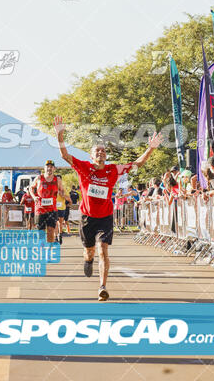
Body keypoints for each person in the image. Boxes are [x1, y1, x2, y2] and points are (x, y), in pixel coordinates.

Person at [54, 115, 163, 302]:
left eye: (103, 151)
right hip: (88, 217)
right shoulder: (84, 167)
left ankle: (102, 287)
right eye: (97, 151)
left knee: (103, 249)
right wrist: (60, 136)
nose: (101, 153)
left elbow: (138, 164)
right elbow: (65, 156)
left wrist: (150, 149)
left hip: (105, 217)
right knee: (89, 252)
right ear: (91, 155)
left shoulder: (113, 170)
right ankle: (88, 260)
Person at [30, 160, 64, 243]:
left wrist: (61, 193)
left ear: (54, 169)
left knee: (50, 231)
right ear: (44, 168)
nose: (49, 168)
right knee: (40, 232)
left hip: (52, 209)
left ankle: (49, 249)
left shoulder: (57, 179)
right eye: (47, 166)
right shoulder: (39, 178)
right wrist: (34, 197)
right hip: (40, 209)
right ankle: (41, 249)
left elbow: (62, 190)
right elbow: (31, 188)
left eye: (51, 167)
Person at [55, 175, 72, 244]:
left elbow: (70, 200)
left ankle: (60, 235)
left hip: (62, 208)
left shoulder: (64, 189)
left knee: (60, 223)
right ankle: (56, 237)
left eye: (59, 180)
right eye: (56, 180)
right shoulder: (53, 188)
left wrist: (63, 195)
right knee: (55, 223)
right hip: (54, 208)